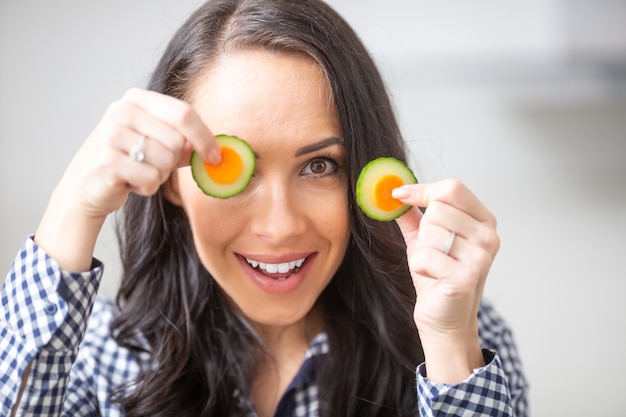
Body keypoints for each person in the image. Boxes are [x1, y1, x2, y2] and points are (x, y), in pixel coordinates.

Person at [1, 0, 528, 416]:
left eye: (319, 166)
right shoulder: (98, 359)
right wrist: (73, 208)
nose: (279, 227)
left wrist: (450, 347)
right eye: (233, 168)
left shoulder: (465, 340)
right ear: (166, 180)